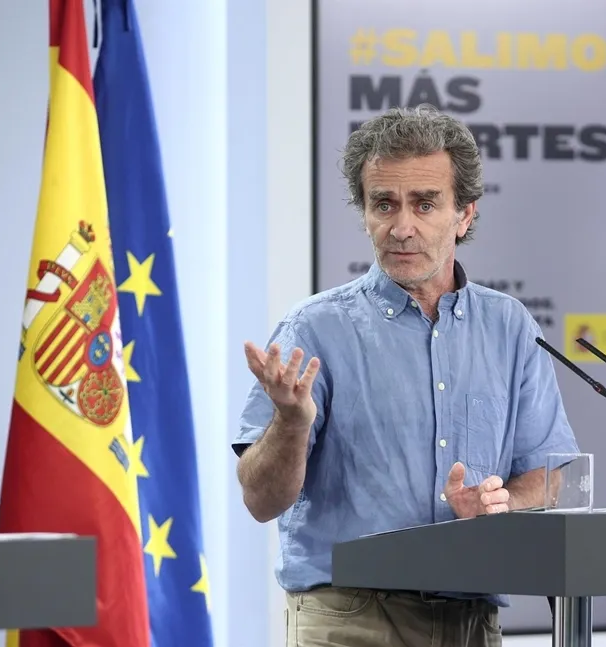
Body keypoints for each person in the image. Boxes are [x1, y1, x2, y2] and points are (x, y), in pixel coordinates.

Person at [233, 104, 579, 647]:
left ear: (464, 215)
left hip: (471, 619)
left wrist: (500, 503)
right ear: (365, 212)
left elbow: (550, 475)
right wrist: (293, 424)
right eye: (384, 204)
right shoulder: (314, 328)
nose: (401, 226)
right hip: (351, 615)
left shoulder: (509, 325)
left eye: (425, 204)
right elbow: (260, 501)